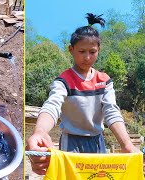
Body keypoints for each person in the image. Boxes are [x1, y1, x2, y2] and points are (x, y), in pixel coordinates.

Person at [26, 13, 140, 175]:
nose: (87, 57)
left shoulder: (104, 81)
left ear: (99, 50)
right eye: (81, 51)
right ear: (71, 50)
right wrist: (40, 131)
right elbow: (52, 106)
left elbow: (111, 112)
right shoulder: (64, 81)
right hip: (71, 141)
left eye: (92, 52)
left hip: (97, 142)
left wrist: (126, 144)